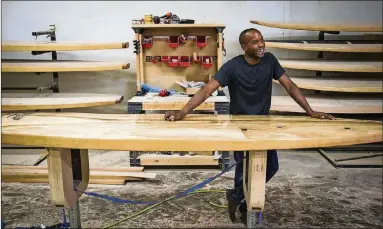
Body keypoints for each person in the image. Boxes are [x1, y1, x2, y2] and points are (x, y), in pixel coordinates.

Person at [164, 28, 335, 225]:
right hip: (240, 126)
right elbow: (207, 90)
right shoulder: (232, 67)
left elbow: (289, 85)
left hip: (263, 124)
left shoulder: (270, 61)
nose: (261, 44)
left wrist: (310, 111)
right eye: (255, 42)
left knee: (271, 167)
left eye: (261, 40)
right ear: (245, 47)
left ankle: (237, 197)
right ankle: (245, 202)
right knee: (244, 170)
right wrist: (183, 112)